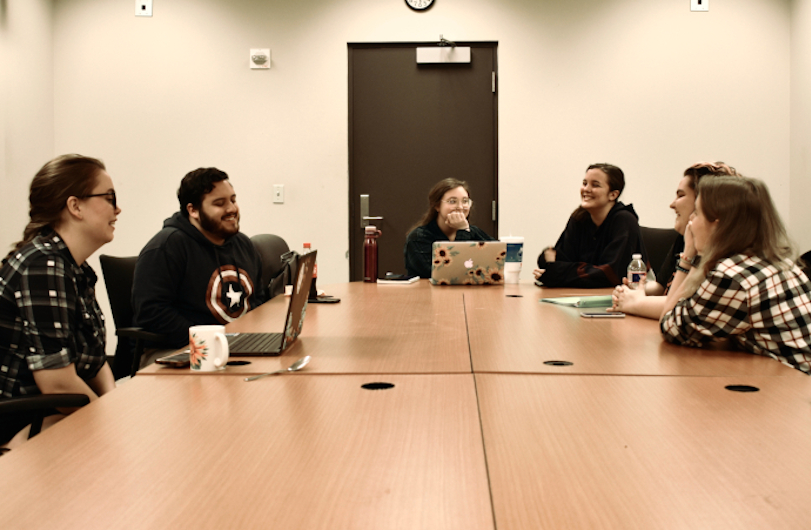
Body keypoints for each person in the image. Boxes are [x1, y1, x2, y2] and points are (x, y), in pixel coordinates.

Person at [0, 155, 119, 447]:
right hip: (22, 418)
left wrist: (115, 404)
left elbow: (95, 358)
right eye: (109, 198)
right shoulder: (43, 266)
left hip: (53, 409)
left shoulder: (73, 266)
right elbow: (57, 384)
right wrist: (110, 419)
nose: (117, 209)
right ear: (75, 206)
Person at [660, 176, 811, 375]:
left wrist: (691, 256)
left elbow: (671, 327)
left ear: (717, 223)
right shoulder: (779, 263)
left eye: (696, 212)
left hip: (794, 385)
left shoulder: (731, 276)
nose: (691, 220)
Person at [133, 168, 267, 349]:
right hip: (181, 349)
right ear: (193, 210)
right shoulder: (167, 247)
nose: (232, 209)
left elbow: (257, 299)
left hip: (236, 344)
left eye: (233, 200)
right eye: (219, 204)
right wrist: (211, 342)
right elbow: (152, 313)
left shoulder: (243, 244)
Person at [610, 162, 739, 318]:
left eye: (681, 195)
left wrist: (634, 303)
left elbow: (679, 309)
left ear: (704, 202)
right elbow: (662, 287)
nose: (672, 204)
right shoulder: (684, 239)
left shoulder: (723, 256)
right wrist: (633, 292)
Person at [534, 163, 646, 287]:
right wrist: (551, 263)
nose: (586, 189)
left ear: (613, 195)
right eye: (584, 183)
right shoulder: (579, 217)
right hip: (579, 293)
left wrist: (559, 272)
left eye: (595, 185)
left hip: (617, 294)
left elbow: (609, 274)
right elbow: (556, 262)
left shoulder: (624, 220)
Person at [404, 178, 496, 279]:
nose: (460, 207)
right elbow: (444, 274)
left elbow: (498, 256)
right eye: (452, 201)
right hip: (428, 288)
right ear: (437, 206)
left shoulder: (473, 231)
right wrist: (462, 231)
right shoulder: (418, 237)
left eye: (465, 201)